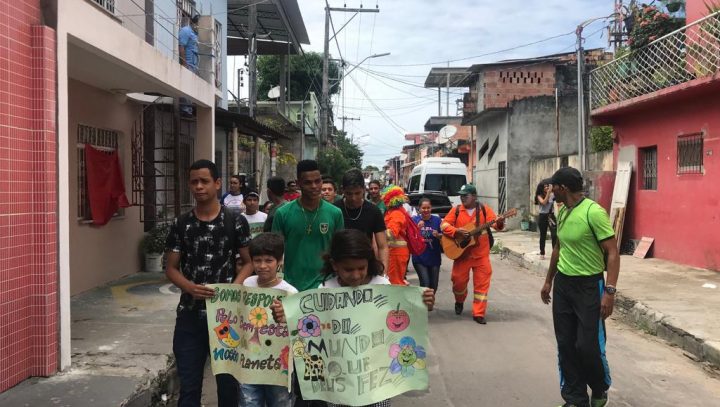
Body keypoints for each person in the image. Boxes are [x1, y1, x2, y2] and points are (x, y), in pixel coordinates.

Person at [270, 229, 435, 407]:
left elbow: (402, 320)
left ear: (368, 262)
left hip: (376, 379)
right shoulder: (326, 290)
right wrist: (287, 316)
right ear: (335, 265)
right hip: (340, 379)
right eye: (348, 269)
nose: (356, 275)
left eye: (361, 268)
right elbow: (312, 328)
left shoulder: (382, 286)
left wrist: (423, 303)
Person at [164, 159, 253, 407]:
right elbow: (170, 268)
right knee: (189, 387)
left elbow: (249, 262)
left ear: (217, 183)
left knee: (228, 387)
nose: (199, 186)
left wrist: (233, 288)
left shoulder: (235, 221)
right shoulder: (181, 224)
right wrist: (189, 287)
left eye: (204, 181)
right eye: (194, 182)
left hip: (226, 318)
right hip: (190, 316)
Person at [540, 167, 619, 407]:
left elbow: (612, 252)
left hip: (589, 286)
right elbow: (558, 248)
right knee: (565, 343)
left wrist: (610, 291)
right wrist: (549, 280)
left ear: (563, 188)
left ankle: (599, 387)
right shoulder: (563, 211)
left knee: (587, 345)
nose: (551, 191)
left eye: (553, 187)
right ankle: (575, 398)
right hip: (564, 285)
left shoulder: (593, 212)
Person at [240, 232, 297, 407]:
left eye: (269, 260)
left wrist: (287, 316)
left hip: (278, 366)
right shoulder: (247, 284)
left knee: (280, 402)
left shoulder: (290, 293)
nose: (262, 266)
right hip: (250, 362)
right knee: (249, 402)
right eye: (257, 260)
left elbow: (298, 330)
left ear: (280, 261)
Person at [271, 160, 344, 292]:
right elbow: (275, 253)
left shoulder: (335, 213)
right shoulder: (282, 213)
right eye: (308, 182)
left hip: (325, 286)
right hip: (291, 287)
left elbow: (340, 251)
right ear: (298, 183)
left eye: (317, 181)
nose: (314, 186)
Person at [441, 184, 505, 324]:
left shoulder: (484, 210)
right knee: (458, 282)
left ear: (474, 196)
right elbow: (444, 225)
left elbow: (497, 226)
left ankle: (478, 313)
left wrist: (500, 221)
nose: (462, 198)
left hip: (481, 255)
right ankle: (459, 301)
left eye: (466, 195)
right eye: (461, 195)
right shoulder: (456, 210)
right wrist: (456, 231)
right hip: (462, 255)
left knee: (482, 286)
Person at [335, 169, 389, 272]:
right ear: (343, 190)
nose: (353, 198)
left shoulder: (373, 211)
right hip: (341, 269)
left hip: (366, 267)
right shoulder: (335, 210)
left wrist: (384, 273)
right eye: (349, 194)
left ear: (364, 189)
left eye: (357, 193)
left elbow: (382, 246)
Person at [381, 185, 411, 285]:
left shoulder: (396, 214)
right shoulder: (393, 212)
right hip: (394, 252)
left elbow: (392, 234)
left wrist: (377, 232)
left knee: (395, 282)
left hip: (396, 253)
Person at [411, 198, 442, 293]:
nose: (426, 210)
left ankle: (428, 301)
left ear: (431, 208)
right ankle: (424, 302)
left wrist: (438, 235)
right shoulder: (414, 220)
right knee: (425, 283)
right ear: (419, 209)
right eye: (423, 208)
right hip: (419, 258)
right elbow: (409, 237)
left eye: (428, 208)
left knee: (433, 287)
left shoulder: (437, 220)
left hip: (434, 257)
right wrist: (417, 228)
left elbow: (445, 236)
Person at [178, 15, 199, 117]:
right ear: (193, 23)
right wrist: (184, 63)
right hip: (188, 63)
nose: (198, 27)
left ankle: (189, 109)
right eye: (198, 24)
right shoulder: (186, 31)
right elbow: (181, 46)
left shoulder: (196, 34)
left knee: (191, 87)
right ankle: (185, 109)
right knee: (186, 85)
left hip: (194, 66)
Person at [536, 178, 558, 260]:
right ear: (542, 188)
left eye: (547, 186)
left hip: (551, 216)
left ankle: (554, 253)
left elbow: (559, 200)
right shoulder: (539, 196)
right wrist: (548, 193)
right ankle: (542, 252)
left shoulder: (552, 195)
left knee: (554, 235)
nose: (546, 188)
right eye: (545, 187)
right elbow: (544, 202)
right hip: (543, 216)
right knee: (543, 235)